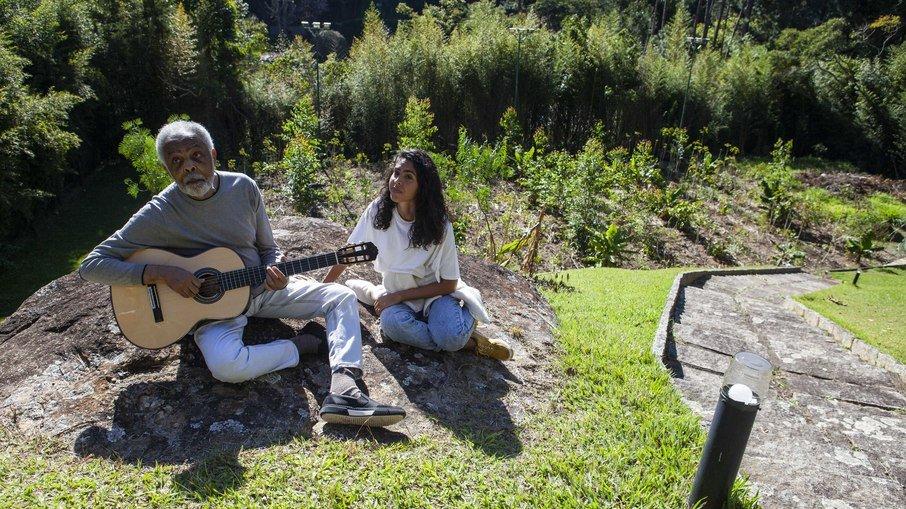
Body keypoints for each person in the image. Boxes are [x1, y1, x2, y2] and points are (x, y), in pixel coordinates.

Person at [79, 120, 405, 427]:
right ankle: (303, 345)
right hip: (212, 315)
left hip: (261, 289)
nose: (189, 167)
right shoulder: (161, 211)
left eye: (196, 156)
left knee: (342, 296)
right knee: (226, 367)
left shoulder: (243, 188)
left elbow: (269, 247)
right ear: (167, 168)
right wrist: (161, 273)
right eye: (176, 161)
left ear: (213, 155)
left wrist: (275, 268)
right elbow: (92, 265)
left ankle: (345, 390)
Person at [323, 149, 514, 360]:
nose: (397, 181)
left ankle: (462, 334)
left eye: (408, 177)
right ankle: (469, 343)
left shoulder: (439, 224)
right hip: (398, 298)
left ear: (423, 186)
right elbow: (348, 254)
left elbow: (449, 284)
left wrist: (398, 296)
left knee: (450, 336)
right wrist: (321, 291)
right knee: (392, 325)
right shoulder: (378, 210)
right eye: (396, 173)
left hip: (436, 298)